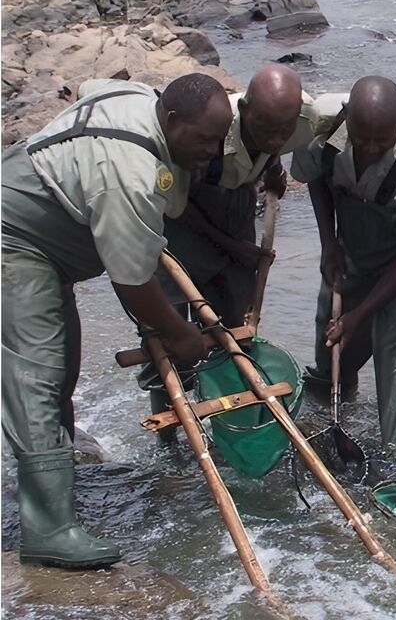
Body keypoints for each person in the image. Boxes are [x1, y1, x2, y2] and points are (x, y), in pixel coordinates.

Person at [1, 73, 232, 568]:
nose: (213, 150)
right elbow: (131, 282)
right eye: (202, 139)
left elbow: (88, 85)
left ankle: (58, 490)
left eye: (220, 139)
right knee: (38, 371)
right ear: (170, 120)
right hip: (15, 238)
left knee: (63, 365)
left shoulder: (141, 99)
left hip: (43, 228)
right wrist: (180, 333)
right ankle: (48, 531)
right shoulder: (130, 171)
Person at [291, 76, 396, 445]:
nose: (368, 149)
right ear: (348, 117)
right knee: (333, 337)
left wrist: (363, 312)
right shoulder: (320, 125)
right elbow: (316, 176)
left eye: (379, 142)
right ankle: (332, 413)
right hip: (353, 244)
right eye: (360, 138)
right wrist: (328, 246)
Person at [163, 64, 316, 325]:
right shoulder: (207, 130)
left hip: (237, 211)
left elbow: (276, 141)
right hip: (183, 219)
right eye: (265, 129)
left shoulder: (303, 121)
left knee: (235, 318)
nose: (276, 139)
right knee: (173, 324)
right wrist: (232, 246)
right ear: (245, 111)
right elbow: (176, 204)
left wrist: (272, 166)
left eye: (284, 130)